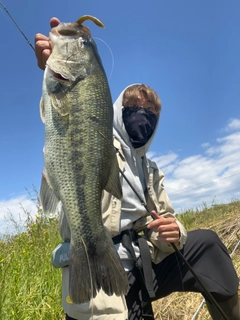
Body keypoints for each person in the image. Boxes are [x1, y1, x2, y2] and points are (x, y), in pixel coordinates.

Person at [35, 18, 240, 320]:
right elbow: (69, 127)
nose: (142, 119)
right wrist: (52, 67)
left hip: (146, 263)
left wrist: (176, 232)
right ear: (118, 110)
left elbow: (165, 216)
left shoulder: (151, 170)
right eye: (133, 109)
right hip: (102, 264)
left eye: (151, 114)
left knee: (207, 244)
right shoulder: (101, 140)